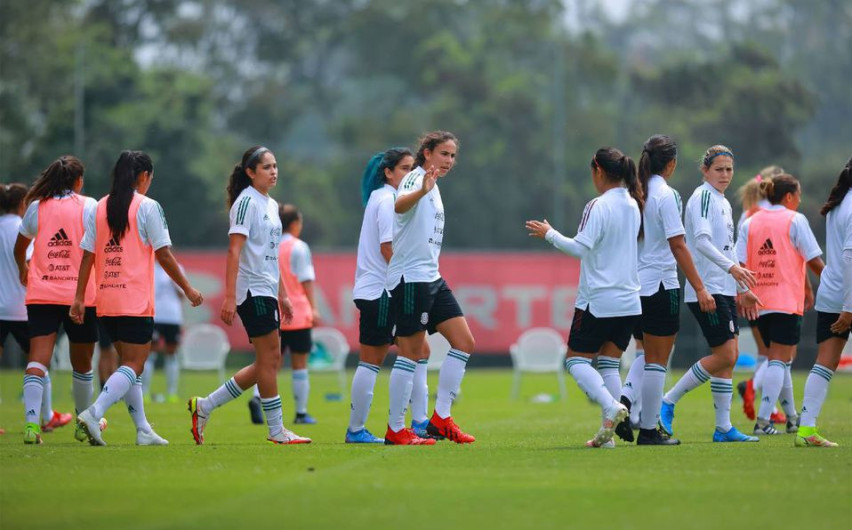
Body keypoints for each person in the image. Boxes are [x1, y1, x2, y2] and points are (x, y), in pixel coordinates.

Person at [72, 150, 202, 446]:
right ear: (144, 176)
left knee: (130, 367)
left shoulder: (99, 206)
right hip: (134, 301)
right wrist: (188, 288)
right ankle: (94, 413)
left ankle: (143, 429)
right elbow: (164, 254)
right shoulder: (148, 206)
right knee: (134, 365)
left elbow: (88, 256)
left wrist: (79, 297)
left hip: (106, 300)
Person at [188, 146, 310, 445]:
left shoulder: (271, 204)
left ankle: (205, 406)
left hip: (267, 289)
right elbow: (234, 251)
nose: (273, 171)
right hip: (252, 290)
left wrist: (283, 294)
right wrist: (230, 297)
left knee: (268, 361)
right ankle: (276, 430)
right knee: (269, 360)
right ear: (250, 172)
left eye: (275, 166)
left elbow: (271, 255)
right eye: (266, 167)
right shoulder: (246, 202)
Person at [527, 146, 643, 448]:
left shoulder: (598, 205)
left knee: (575, 361)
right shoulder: (632, 203)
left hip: (598, 300)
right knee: (609, 364)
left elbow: (579, 247)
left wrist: (549, 233)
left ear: (598, 171)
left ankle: (610, 406)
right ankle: (608, 437)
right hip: (630, 301)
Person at [613, 135, 715, 446]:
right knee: (658, 360)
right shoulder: (665, 195)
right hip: (661, 284)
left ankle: (624, 401)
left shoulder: (634, 192)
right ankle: (648, 430)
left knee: (646, 353)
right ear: (671, 164)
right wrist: (700, 287)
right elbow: (678, 244)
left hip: (635, 285)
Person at [658, 145, 760, 443]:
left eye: (729, 169)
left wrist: (742, 289)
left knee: (728, 360)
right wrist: (732, 270)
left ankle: (723, 427)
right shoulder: (703, 197)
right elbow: (701, 242)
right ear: (705, 171)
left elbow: (726, 248)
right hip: (708, 289)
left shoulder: (723, 201)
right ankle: (668, 400)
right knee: (727, 355)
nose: (725, 175)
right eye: (719, 169)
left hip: (724, 288)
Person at [384, 131, 475, 445]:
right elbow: (399, 206)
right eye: (443, 154)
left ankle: (441, 418)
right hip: (411, 279)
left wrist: (428, 189)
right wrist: (421, 190)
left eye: (452, 155)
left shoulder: (433, 185)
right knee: (410, 353)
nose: (449, 160)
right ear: (427, 153)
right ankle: (396, 429)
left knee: (463, 342)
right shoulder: (416, 178)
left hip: (431, 277)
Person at [13, 158, 98, 445]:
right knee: (82, 364)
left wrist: (23, 269)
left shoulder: (37, 207)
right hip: (80, 296)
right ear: (78, 181)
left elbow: (19, 246)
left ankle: (31, 425)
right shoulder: (89, 206)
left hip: (43, 293)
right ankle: (83, 424)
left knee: (38, 359)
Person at [737, 173, 824, 436]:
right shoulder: (795, 219)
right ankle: (763, 421)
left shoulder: (750, 222)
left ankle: (792, 418)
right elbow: (813, 259)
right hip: (786, 301)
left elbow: (739, 264)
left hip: (758, 302)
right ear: (788, 196)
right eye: (798, 195)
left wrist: (743, 293)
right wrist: (833, 282)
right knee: (778, 359)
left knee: (780, 360)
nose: (800, 200)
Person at [346, 148, 415, 444]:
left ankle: (416, 421)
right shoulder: (387, 201)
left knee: (416, 350)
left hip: (374, 289)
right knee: (372, 361)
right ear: (388, 172)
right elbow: (388, 249)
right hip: (382, 291)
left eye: (412, 169)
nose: (409, 175)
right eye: (404, 168)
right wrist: (407, 282)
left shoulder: (379, 197)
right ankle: (357, 430)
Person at [795, 157, 852, 447]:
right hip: (846, 296)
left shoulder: (839, 203)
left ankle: (806, 430)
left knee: (825, 363)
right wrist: (849, 307)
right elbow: (850, 258)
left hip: (831, 292)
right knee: (826, 362)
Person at [249, 204, 320, 425]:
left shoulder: (270, 244)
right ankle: (301, 413)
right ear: (295, 224)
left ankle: (256, 397)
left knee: (268, 362)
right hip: (297, 312)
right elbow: (306, 280)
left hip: (273, 311)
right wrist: (313, 308)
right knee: (300, 364)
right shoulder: (299, 247)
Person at [735, 166, 787, 423]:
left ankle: (773, 408)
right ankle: (753, 385)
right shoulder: (775, 214)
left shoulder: (747, 213)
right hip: (773, 290)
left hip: (751, 289)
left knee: (765, 352)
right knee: (781, 353)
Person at [141, 261, 184, 402]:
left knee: (171, 354)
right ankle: (145, 392)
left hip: (173, 317)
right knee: (150, 354)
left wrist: (174, 281)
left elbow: (182, 295)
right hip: (155, 316)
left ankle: (172, 393)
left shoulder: (178, 268)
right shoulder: (149, 267)